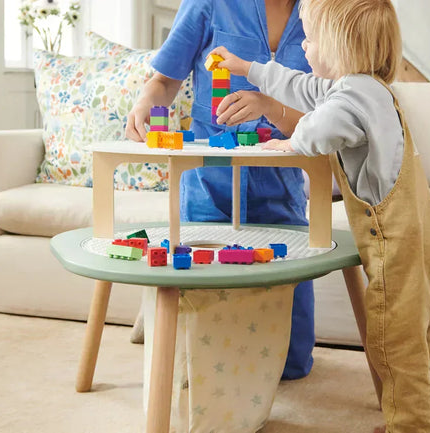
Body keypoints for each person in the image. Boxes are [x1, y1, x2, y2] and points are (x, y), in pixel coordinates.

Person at [209, 0, 430, 431]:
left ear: (338, 47)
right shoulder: (366, 87)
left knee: (395, 338)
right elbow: (301, 87)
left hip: (395, 240)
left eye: (312, 39)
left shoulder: (352, 98)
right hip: (427, 232)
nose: (306, 47)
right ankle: (425, 409)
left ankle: (410, 425)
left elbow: (322, 128)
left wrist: (290, 144)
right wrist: (248, 66)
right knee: (421, 329)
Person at [124, 0, 317, 380]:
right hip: (207, 189)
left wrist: (269, 106)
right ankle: (161, 311)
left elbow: (322, 116)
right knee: (200, 360)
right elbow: (165, 80)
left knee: (291, 365)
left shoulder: (322, 11)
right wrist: (146, 102)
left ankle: (160, 313)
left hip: (281, 193)